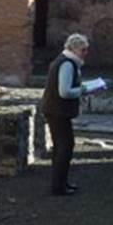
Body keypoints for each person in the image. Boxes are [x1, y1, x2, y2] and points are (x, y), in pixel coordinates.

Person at [41, 33, 89, 196]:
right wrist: (83, 90)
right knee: (65, 147)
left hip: (56, 110)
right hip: (57, 110)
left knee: (62, 147)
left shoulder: (66, 61)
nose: (85, 53)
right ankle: (58, 186)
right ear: (74, 48)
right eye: (83, 49)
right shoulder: (67, 64)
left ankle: (61, 182)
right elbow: (65, 91)